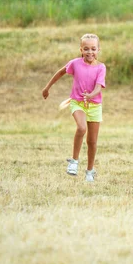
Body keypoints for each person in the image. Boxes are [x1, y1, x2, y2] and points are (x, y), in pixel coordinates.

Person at [42, 34, 106, 182]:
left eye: (93, 49)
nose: (90, 52)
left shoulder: (101, 67)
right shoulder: (75, 64)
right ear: (81, 50)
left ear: (98, 49)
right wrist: (47, 87)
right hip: (77, 102)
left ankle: (90, 171)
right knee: (81, 128)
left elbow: (98, 88)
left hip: (94, 106)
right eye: (86, 49)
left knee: (92, 141)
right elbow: (60, 72)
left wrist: (91, 95)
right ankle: (74, 161)